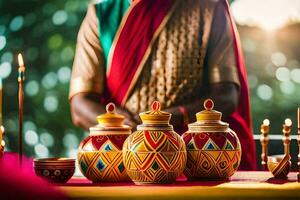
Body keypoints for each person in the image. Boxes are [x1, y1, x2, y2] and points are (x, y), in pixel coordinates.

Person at [69, 0, 256, 170]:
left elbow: (227, 97)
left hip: (193, 159)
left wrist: (167, 120)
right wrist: (122, 125)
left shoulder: (208, 7)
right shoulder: (101, 16)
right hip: (123, 161)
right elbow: (80, 105)